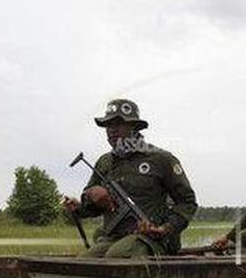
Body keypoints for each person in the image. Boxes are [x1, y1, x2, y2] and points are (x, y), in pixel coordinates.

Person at [62, 99, 198, 258]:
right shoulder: (104, 162)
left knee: (117, 255)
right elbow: (90, 208)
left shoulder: (161, 159)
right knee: (84, 262)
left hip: (152, 240)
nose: (111, 130)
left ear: (133, 126)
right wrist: (87, 199)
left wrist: (165, 228)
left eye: (118, 124)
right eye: (108, 125)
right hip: (114, 237)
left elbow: (187, 202)